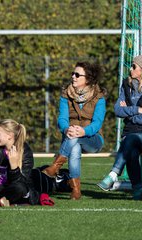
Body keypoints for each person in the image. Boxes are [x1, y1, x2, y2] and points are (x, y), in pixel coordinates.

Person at [97, 55, 142, 200]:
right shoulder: (127, 86)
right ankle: (138, 191)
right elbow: (117, 110)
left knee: (129, 140)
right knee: (130, 146)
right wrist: (137, 110)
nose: (130, 69)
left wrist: (129, 114)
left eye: (134, 66)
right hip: (131, 136)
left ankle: (113, 175)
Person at [42, 62, 107, 200]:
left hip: (93, 138)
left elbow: (97, 123)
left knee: (75, 138)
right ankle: (76, 190)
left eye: (77, 74)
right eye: (73, 73)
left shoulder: (99, 97)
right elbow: (62, 119)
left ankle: (55, 166)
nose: (73, 76)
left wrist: (83, 131)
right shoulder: (66, 94)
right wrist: (66, 129)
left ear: (88, 79)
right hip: (71, 137)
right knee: (75, 146)